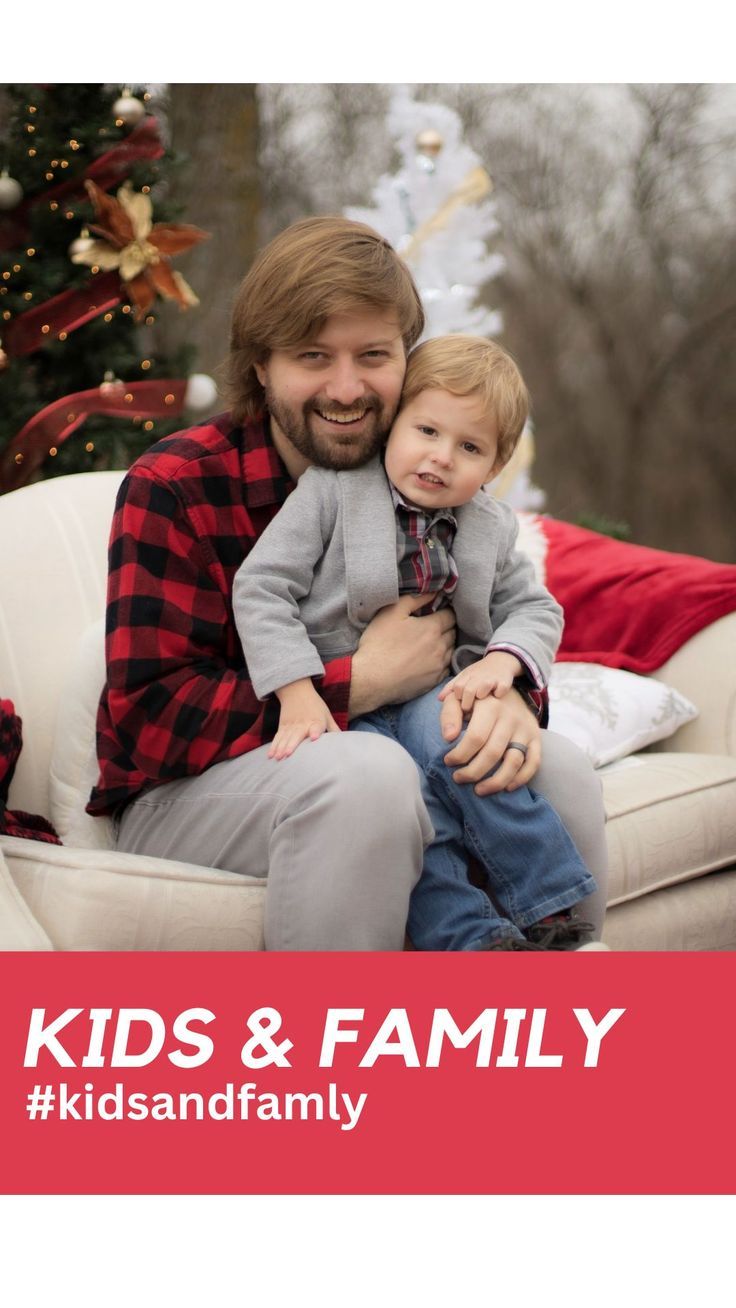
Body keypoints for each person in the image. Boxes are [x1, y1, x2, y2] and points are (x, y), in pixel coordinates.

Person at [87, 215, 608, 950]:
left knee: (558, 772)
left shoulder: (437, 488)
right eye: (311, 356)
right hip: (192, 790)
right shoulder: (176, 488)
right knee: (370, 777)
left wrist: (511, 697)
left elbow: (514, 606)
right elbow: (152, 721)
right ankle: (338, 1054)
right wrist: (358, 681)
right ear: (262, 366)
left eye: (373, 355)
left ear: (407, 358)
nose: (346, 387)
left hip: (398, 734)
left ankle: (561, 1015)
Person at [232, 335, 599, 950]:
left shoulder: (489, 525)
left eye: (470, 447)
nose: (441, 457)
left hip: (437, 689)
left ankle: (555, 915)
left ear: (496, 467)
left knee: (473, 756)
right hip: (346, 701)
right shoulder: (334, 490)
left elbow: (533, 608)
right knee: (409, 811)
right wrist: (297, 691)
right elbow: (262, 587)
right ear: (394, 423)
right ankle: (475, 942)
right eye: (426, 431)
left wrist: (506, 665)